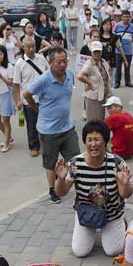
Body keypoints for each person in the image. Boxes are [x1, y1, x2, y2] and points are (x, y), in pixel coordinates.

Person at [54, 120, 132, 258]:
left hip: (111, 213)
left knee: (113, 251)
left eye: (97, 139)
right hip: (86, 213)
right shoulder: (75, 163)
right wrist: (60, 179)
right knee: (80, 252)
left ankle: (121, 223)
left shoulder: (117, 162)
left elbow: (126, 194)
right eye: (89, 140)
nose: (93, 144)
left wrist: (125, 184)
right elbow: (61, 192)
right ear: (84, 142)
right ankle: (90, 229)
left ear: (105, 141)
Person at [24, 47, 80, 204]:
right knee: (50, 162)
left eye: (65, 61)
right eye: (59, 62)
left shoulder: (69, 74)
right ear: (50, 63)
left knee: (75, 160)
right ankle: (52, 189)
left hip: (67, 127)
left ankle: (79, 188)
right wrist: (36, 108)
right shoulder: (44, 80)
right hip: (49, 131)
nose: (63, 64)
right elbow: (27, 94)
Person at [13, 37, 49, 158]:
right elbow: (16, 84)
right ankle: (33, 146)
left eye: (33, 46)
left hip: (44, 97)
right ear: (23, 47)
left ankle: (47, 144)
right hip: (28, 99)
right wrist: (17, 100)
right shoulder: (19, 63)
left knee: (46, 122)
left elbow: (49, 74)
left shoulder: (42, 59)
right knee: (31, 124)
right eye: (28, 46)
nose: (31, 49)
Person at [77, 40, 111, 122]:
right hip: (93, 97)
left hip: (102, 96)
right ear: (91, 52)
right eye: (95, 51)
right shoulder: (89, 63)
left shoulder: (103, 62)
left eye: (98, 51)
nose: (97, 53)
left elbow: (108, 72)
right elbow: (79, 76)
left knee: (100, 119)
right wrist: (89, 83)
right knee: (93, 121)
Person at [113, 10, 133, 88]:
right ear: (121, 17)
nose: (126, 18)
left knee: (127, 67)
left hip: (128, 50)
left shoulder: (132, 26)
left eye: (127, 17)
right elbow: (114, 37)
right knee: (118, 67)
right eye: (124, 16)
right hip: (118, 50)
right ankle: (117, 82)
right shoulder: (117, 26)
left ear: (130, 17)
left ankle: (128, 81)